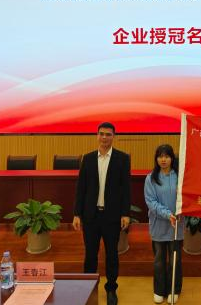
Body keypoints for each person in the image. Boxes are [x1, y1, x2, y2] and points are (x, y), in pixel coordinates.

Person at [73, 122, 131, 305]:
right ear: (97, 136)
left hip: (111, 216)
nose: (104, 137)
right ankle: (89, 288)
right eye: (101, 134)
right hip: (91, 216)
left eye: (108, 134)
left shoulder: (122, 159)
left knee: (112, 254)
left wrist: (125, 213)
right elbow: (81, 188)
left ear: (114, 137)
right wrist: (77, 214)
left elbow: (126, 189)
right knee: (90, 254)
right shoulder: (88, 159)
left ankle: (111, 288)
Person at [144, 144, 184, 304]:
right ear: (156, 159)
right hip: (159, 225)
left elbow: (185, 198)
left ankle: (174, 289)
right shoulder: (150, 178)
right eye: (160, 156)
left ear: (172, 158)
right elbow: (151, 202)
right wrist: (168, 214)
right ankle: (159, 290)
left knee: (175, 260)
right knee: (159, 260)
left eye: (167, 156)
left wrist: (179, 211)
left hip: (177, 225)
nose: (163, 159)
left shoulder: (180, 176)